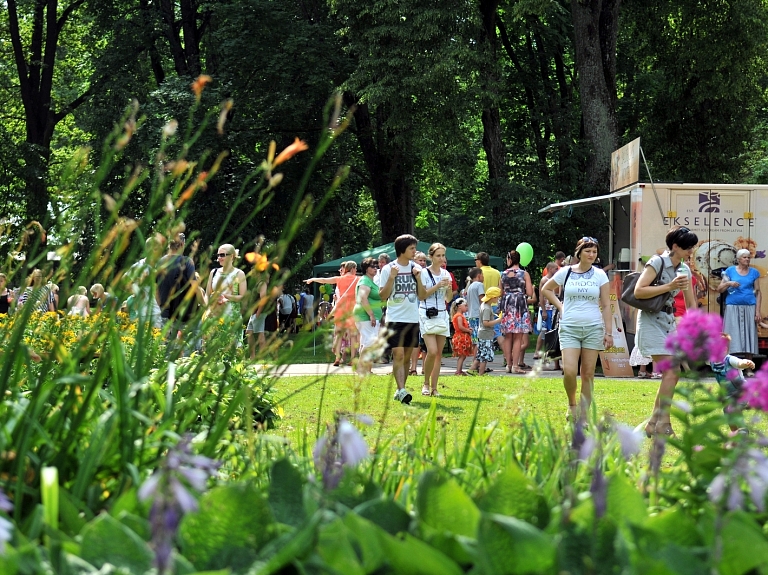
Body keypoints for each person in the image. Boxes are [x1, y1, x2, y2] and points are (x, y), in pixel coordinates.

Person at [633, 226, 698, 437]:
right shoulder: (657, 262)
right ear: (676, 246)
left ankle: (653, 422)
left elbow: (691, 302)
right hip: (651, 321)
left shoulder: (685, 270)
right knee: (672, 371)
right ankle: (664, 423)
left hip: (670, 323)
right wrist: (668, 286)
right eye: (688, 247)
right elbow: (639, 291)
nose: (692, 251)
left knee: (672, 374)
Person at [542, 237, 612, 421]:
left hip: (593, 328)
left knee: (588, 374)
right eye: (588, 251)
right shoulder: (565, 272)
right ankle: (572, 403)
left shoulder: (600, 275)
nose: (591, 255)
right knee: (570, 371)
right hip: (569, 327)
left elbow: (606, 305)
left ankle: (584, 414)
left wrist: (609, 332)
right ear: (579, 252)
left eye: (594, 252)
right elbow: (546, 289)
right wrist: (561, 306)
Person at [379, 234, 427, 404]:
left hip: (413, 319)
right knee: (397, 354)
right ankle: (401, 389)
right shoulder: (388, 269)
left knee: (406, 357)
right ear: (402, 250)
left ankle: (401, 389)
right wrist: (392, 277)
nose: (415, 251)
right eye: (412, 248)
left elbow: (422, 296)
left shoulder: (417, 269)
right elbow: (383, 296)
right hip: (395, 318)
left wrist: (419, 277)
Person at [305, 261, 360, 366]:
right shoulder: (358, 279)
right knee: (353, 336)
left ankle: (337, 358)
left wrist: (312, 279)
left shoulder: (339, 279)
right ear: (352, 268)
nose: (356, 271)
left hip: (340, 311)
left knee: (338, 335)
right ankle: (353, 359)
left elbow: (324, 280)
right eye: (356, 269)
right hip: (352, 311)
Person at [718, 248, 761, 375]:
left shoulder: (754, 272)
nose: (747, 259)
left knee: (749, 337)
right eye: (744, 257)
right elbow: (720, 289)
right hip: (732, 307)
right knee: (731, 336)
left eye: (748, 257)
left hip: (749, 307)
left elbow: (758, 292)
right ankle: (730, 367)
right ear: (738, 259)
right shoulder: (730, 271)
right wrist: (729, 283)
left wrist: (757, 311)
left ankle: (748, 368)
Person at [418, 243, 453, 397]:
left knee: (438, 354)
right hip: (426, 314)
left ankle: (434, 388)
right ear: (430, 256)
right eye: (438, 256)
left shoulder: (446, 273)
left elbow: (448, 298)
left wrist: (449, 288)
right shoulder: (423, 273)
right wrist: (438, 285)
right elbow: (422, 295)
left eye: (443, 255)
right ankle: (425, 383)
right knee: (431, 351)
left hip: (442, 314)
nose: (441, 259)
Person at [206, 244, 248, 349]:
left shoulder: (239, 273)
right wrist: (207, 310)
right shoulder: (214, 272)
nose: (219, 258)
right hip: (215, 316)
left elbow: (242, 296)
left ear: (232, 256)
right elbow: (207, 294)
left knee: (234, 349)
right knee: (214, 349)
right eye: (218, 255)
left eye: (222, 255)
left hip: (232, 317)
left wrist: (225, 296)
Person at [711, 333, 754, 432]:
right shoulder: (711, 361)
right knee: (728, 414)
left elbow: (739, 363)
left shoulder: (730, 359)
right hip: (727, 394)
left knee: (733, 410)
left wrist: (746, 363)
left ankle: (743, 432)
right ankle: (734, 434)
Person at [499, 250, 533, 374]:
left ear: (509, 259)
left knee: (508, 336)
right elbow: (529, 293)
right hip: (520, 305)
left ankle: (508, 365)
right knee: (518, 337)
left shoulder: (503, 274)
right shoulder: (524, 274)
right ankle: (515, 365)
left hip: (507, 305)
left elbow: (500, 292)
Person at [353, 257, 383, 374]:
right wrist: (371, 315)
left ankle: (367, 370)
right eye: (372, 266)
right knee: (369, 342)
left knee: (367, 342)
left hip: (370, 316)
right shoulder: (365, 280)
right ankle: (360, 370)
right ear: (366, 268)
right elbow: (363, 298)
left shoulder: (370, 281)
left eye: (376, 266)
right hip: (366, 316)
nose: (375, 268)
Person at [475, 251, 503, 363]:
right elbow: (500, 289)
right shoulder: (497, 272)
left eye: (476, 260)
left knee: (482, 335)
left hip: (484, 305)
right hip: (495, 304)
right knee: (498, 332)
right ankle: (507, 358)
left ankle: (477, 361)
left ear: (480, 261)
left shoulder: (479, 273)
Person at [409, 251, 428, 375]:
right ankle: (412, 367)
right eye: (419, 260)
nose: (422, 262)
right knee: (413, 341)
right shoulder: (409, 274)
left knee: (424, 341)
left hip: (424, 311)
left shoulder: (427, 274)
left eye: (424, 260)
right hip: (411, 311)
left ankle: (423, 367)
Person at [476, 287, 503, 376]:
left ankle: (478, 371)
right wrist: (499, 320)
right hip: (485, 335)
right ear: (493, 297)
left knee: (481, 354)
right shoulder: (487, 308)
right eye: (497, 297)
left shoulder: (484, 305)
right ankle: (481, 373)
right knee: (485, 355)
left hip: (484, 333)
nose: (498, 299)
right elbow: (486, 323)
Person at [465, 267, 485, 373]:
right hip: (478, 315)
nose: (483, 277)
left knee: (475, 341)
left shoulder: (470, 286)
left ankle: (474, 361)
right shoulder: (479, 285)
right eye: (482, 275)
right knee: (480, 341)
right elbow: (482, 300)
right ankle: (475, 365)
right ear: (478, 276)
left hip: (471, 315)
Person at [246, 275, 270, 359]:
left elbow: (263, 299)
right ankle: (252, 356)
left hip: (259, 312)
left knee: (260, 333)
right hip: (254, 312)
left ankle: (261, 357)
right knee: (249, 333)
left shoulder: (262, 284)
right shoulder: (257, 284)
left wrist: (258, 313)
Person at [450, 298, 472, 375]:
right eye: (465, 306)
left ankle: (459, 370)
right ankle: (458, 371)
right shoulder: (459, 316)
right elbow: (460, 327)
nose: (467, 307)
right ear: (459, 306)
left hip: (462, 336)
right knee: (462, 356)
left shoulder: (460, 316)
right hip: (460, 338)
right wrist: (468, 330)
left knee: (463, 356)